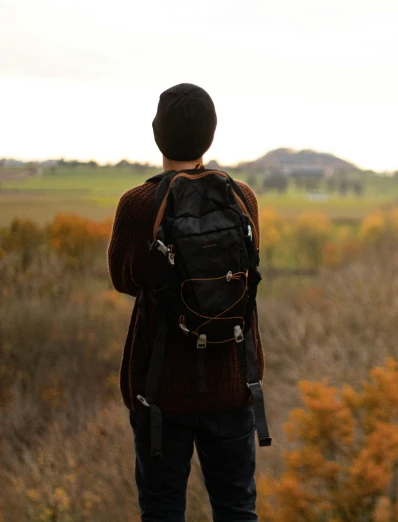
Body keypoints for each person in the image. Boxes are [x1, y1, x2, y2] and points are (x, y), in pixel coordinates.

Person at [107, 83, 267, 522]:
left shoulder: (139, 204)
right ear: (210, 136)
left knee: (161, 511)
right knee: (237, 509)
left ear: (157, 134)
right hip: (233, 380)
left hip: (162, 389)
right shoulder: (242, 197)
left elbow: (124, 278)